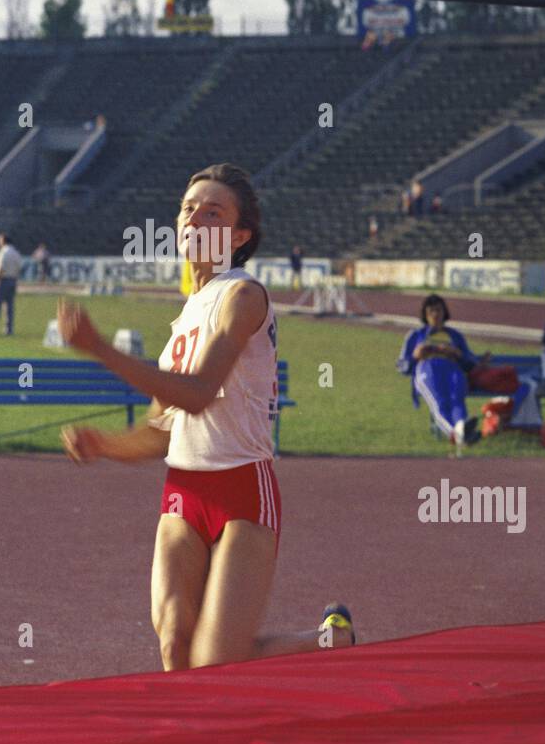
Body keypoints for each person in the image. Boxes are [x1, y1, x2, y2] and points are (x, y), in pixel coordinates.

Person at [56, 161, 354, 670]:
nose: (194, 219)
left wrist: (101, 349)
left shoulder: (243, 296)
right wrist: (105, 445)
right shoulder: (183, 318)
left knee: (213, 664)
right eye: (188, 208)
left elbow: (196, 394)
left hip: (243, 493)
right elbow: (161, 431)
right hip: (183, 494)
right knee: (174, 643)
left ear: (240, 236)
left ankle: (332, 640)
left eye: (212, 213)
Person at [397, 294, 485, 446]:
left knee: (457, 401)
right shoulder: (416, 335)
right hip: (427, 369)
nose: (435, 315)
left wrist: (458, 354)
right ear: (425, 314)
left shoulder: (455, 335)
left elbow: (469, 361)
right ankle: (457, 434)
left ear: (445, 312)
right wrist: (415, 356)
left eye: (438, 310)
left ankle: (461, 431)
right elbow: (402, 365)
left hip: (452, 369)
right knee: (440, 403)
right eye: (431, 311)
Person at [0, 232, 22, 334]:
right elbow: (19, 268)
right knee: (9, 306)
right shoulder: (16, 253)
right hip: (13, 280)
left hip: (3, 280)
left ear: (3, 241)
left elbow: (0, 269)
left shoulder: (3, 253)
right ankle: (9, 329)